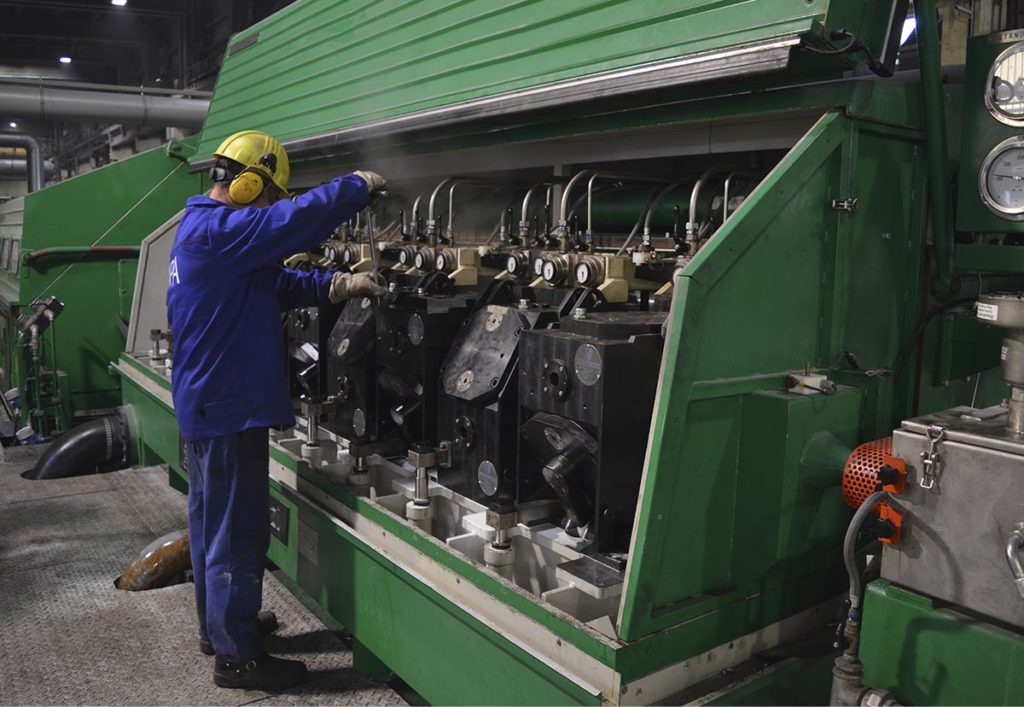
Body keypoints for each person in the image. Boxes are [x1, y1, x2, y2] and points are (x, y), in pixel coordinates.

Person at [166, 130, 387, 690]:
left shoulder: (202, 229)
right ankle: (238, 659)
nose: (269, 207)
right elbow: (290, 225)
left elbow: (273, 281)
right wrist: (354, 187)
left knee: (210, 525)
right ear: (246, 185)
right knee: (238, 534)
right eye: (268, 195)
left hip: (209, 403)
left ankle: (220, 629)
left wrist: (336, 284)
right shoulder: (220, 230)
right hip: (228, 407)